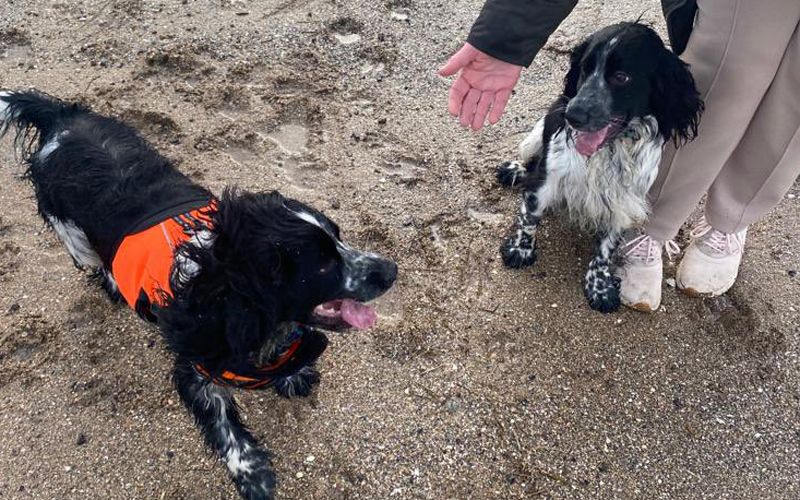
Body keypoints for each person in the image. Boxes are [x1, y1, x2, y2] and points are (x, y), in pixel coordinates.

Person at [439, 0, 800, 312]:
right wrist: (502, 41)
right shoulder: (571, 118)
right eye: (587, 71)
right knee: (728, 66)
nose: (578, 106)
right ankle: (651, 229)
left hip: (641, 126)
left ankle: (728, 223)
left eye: (621, 78)